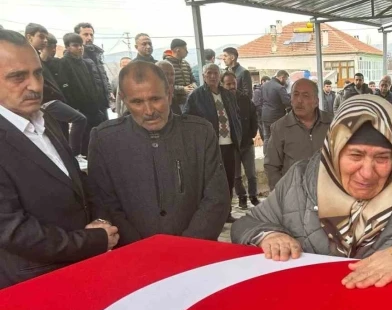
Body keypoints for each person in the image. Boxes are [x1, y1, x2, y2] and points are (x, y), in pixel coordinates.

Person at [231, 94, 392, 287]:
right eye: (355, 155)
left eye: (382, 158)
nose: (368, 172)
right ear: (333, 150)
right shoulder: (299, 180)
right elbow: (246, 225)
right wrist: (268, 235)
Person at [0, 30, 117, 289]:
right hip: (35, 284)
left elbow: (76, 181)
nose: (35, 85)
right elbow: (13, 231)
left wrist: (101, 222)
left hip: (83, 268)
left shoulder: (47, 119)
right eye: (18, 76)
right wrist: (93, 241)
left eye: (38, 73)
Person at [88, 61, 229, 246]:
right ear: (123, 99)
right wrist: (142, 250)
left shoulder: (200, 133)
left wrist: (185, 247)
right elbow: (103, 202)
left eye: (155, 99)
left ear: (169, 94)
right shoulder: (104, 139)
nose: (149, 111)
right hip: (133, 256)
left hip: (194, 253)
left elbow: (216, 198)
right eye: (137, 102)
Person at [184, 63, 243, 223]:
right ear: (203, 76)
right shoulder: (196, 96)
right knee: (211, 181)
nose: (212, 76)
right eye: (209, 73)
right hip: (210, 146)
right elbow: (188, 120)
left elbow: (236, 116)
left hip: (229, 145)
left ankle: (227, 213)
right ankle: (212, 214)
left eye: (215, 73)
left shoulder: (228, 95)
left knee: (229, 179)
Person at [265, 78, 332, 190]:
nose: (299, 100)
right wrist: (280, 194)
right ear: (291, 100)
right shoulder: (280, 127)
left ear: (316, 101)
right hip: (293, 196)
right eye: (295, 95)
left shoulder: (332, 124)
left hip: (326, 193)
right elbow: (271, 166)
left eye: (305, 95)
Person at [57, 32, 109, 156]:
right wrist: (75, 107)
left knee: (99, 142)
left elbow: (93, 85)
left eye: (81, 45)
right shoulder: (63, 63)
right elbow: (65, 88)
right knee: (86, 144)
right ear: (68, 47)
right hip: (80, 110)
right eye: (75, 45)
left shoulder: (85, 63)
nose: (80, 48)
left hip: (94, 109)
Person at [221, 71, 259, 208]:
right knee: (236, 175)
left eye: (234, 83)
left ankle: (253, 196)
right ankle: (242, 197)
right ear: (223, 84)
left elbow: (254, 116)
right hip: (231, 145)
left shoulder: (244, 99)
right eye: (228, 84)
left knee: (251, 174)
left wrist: (253, 133)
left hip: (247, 143)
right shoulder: (221, 101)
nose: (232, 86)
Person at [74, 22, 112, 107]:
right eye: (85, 35)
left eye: (91, 35)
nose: (89, 38)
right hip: (87, 105)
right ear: (77, 37)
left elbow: (103, 76)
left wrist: (109, 92)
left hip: (102, 103)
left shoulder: (96, 54)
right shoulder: (74, 56)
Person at [261, 69, 291, 156]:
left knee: (266, 137)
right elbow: (287, 102)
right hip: (276, 117)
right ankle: (275, 157)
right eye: (285, 79)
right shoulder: (280, 87)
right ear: (282, 77)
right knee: (277, 138)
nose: (286, 82)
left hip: (265, 115)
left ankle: (266, 156)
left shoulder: (265, 85)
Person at [166, 39, 196, 108]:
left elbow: (193, 79)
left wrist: (193, 86)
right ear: (178, 50)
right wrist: (182, 89)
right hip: (175, 102)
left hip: (189, 100)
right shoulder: (166, 65)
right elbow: (164, 85)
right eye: (185, 49)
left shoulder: (186, 64)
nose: (187, 52)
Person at [252, 75, 269, 142]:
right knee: (264, 133)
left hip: (263, 114)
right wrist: (263, 112)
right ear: (262, 81)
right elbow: (257, 104)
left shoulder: (263, 90)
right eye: (267, 82)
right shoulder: (257, 91)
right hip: (260, 115)